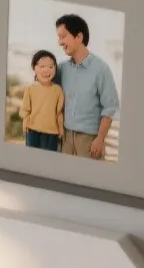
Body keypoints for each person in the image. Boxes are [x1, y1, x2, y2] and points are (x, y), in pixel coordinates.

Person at [55, 14, 119, 161]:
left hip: (89, 141)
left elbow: (110, 107)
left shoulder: (101, 69)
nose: (60, 42)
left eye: (63, 36)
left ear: (79, 36)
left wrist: (100, 139)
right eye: (58, 38)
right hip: (65, 139)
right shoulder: (62, 69)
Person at [18, 49, 65, 152]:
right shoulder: (30, 88)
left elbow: (59, 112)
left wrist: (61, 130)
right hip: (32, 131)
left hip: (52, 133)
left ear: (55, 69)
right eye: (42, 66)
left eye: (51, 67)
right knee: (32, 160)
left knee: (48, 162)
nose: (46, 70)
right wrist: (25, 126)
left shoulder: (58, 90)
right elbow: (25, 110)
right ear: (34, 68)